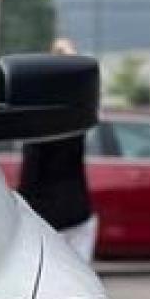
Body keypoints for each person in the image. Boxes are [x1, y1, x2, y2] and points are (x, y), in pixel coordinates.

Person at [18, 37, 98, 263]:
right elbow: (31, 169)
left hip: (76, 212)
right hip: (48, 215)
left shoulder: (81, 108)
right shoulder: (39, 111)